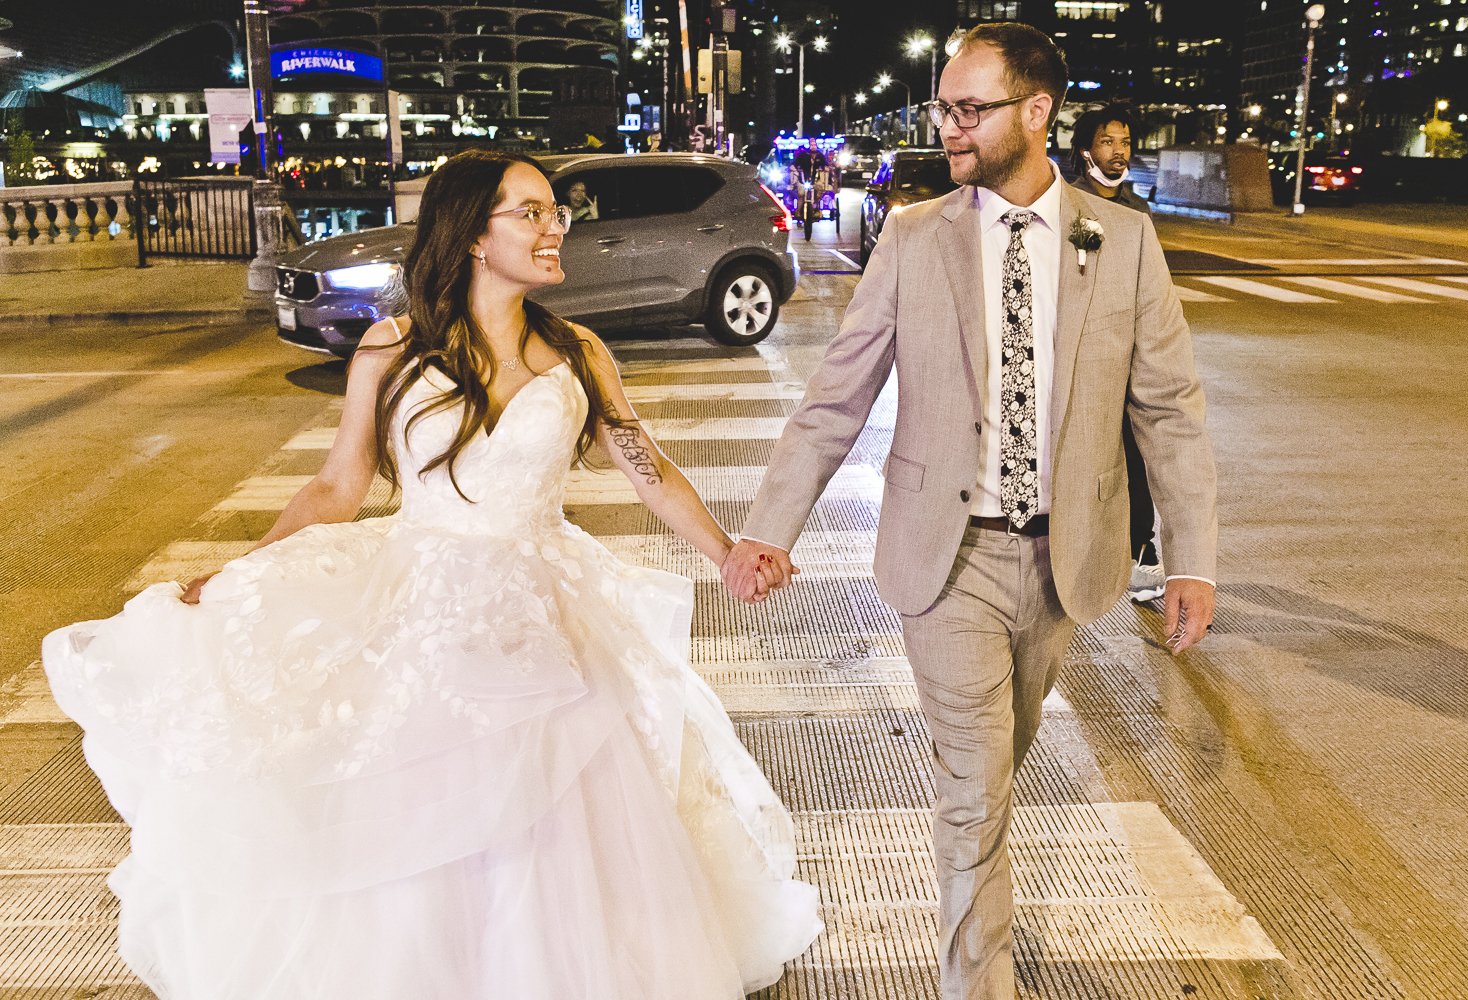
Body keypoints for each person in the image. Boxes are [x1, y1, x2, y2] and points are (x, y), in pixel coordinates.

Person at [42, 150, 820, 999]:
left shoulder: (579, 352)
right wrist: (239, 567)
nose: (556, 224)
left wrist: (728, 549)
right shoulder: (391, 350)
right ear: (474, 235)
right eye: (532, 211)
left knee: (565, 806)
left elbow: (649, 470)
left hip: (548, 614)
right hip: (420, 605)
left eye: (557, 210)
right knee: (427, 803)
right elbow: (338, 485)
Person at [722, 22, 1217, 1000]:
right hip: (945, 559)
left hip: (1068, 560)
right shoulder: (913, 238)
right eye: (943, 106)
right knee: (976, 787)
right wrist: (769, 525)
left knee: (1002, 762)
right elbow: (836, 397)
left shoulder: (1120, 241)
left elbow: (1166, 405)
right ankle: (975, 984)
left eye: (968, 108)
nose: (948, 125)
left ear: (1036, 114)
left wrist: (1194, 555)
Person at [1070, 104, 1163, 600]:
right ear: (1087, 148)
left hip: (1129, 351)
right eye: (1108, 141)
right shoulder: (1071, 204)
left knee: (1137, 450)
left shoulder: (1137, 209)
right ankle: (1076, 549)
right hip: (1084, 354)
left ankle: (1142, 549)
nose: (1118, 150)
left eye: (1124, 142)